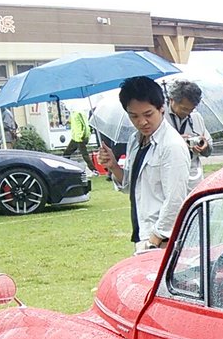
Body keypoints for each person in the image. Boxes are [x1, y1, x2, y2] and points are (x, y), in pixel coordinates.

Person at [96, 76, 190, 255]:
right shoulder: (135, 140)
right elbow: (132, 187)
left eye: (148, 114)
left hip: (165, 240)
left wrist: (156, 238)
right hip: (143, 232)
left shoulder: (172, 145)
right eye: (134, 116)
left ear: (161, 108)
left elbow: (176, 199)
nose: (142, 122)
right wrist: (114, 166)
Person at [165, 80, 211, 194]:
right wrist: (176, 142)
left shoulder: (196, 117)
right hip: (167, 177)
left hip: (193, 178)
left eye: (192, 109)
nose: (188, 113)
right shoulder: (159, 117)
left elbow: (209, 149)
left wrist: (205, 147)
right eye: (184, 109)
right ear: (172, 100)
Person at [60, 109, 98, 173]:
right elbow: (74, 123)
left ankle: (94, 170)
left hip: (79, 138)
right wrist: (66, 122)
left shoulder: (79, 113)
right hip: (75, 138)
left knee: (84, 155)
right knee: (67, 153)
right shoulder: (74, 114)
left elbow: (85, 126)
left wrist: (83, 136)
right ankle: (64, 168)